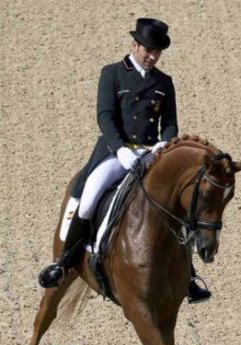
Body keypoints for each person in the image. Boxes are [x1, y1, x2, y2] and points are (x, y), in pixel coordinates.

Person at [38, 18, 211, 303]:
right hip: (114, 153)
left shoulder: (164, 83)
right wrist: (120, 149)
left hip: (149, 154)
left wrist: (163, 146)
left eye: (157, 52)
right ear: (135, 45)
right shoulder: (113, 74)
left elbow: (169, 124)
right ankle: (64, 262)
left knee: (175, 207)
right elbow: (105, 116)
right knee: (89, 197)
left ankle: (189, 276)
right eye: (148, 50)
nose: (152, 57)